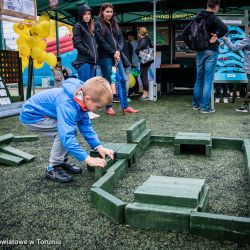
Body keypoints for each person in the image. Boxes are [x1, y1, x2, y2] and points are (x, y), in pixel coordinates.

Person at [19, 77, 114, 183]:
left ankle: (61, 161)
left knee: (69, 130)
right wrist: (88, 159)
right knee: (63, 133)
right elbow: (67, 136)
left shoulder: (82, 100)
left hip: (44, 114)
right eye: (98, 107)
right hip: (32, 115)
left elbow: (86, 127)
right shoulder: (68, 104)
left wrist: (98, 147)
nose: (99, 110)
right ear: (87, 99)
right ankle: (53, 167)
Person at [182, 0, 228, 113]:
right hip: (211, 51)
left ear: (207, 5)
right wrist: (217, 35)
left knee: (199, 79)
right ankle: (205, 107)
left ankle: (196, 105)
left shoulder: (197, 17)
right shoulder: (213, 18)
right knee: (208, 79)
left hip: (199, 52)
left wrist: (192, 46)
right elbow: (225, 29)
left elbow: (184, 33)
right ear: (216, 6)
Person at [94, 2, 138, 115]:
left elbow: (121, 39)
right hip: (105, 56)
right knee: (108, 81)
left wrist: (118, 51)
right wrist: (113, 52)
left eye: (111, 12)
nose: (109, 14)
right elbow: (101, 41)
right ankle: (109, 107)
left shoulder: (114, 23)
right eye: (107, 11)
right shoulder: (98, 24)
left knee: (123, 79)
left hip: (117, 55)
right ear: (102, 11)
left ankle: (126, 106)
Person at [73, 4, 100, 120]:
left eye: (89, 14)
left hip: (92, 62)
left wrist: (94, 56)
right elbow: (77, 43)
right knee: (83, 88)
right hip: (83, 61)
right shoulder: (78, 26)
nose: (87, 16)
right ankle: (83, 112)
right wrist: (89, 52)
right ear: (81, 15)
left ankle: (88, 111)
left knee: (89, 88)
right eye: (85, 14)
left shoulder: (90, 28)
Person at [222, 22, 250, 112]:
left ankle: (245, 106)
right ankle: (245, 105)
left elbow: (235, 48)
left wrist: (226, 40)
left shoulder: (248, 39)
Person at [136, 27, 153, 100]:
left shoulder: (142, 40)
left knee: (143, 76)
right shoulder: (147, 39)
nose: (137, 34)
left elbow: (137, 49)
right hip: (148, 60)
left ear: (140, 33)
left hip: (144, 60)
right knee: (143, 75)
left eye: (138, 32)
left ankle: (146, 94)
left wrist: (137, 52)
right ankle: (145, 93)